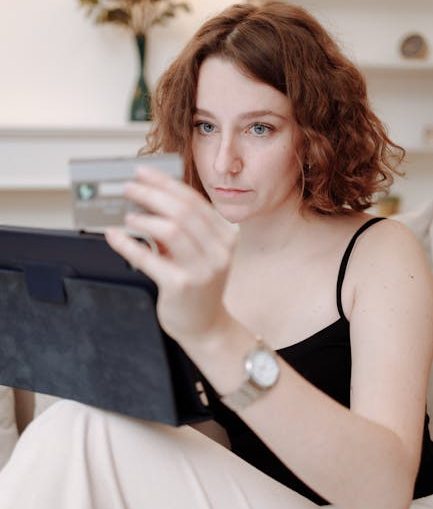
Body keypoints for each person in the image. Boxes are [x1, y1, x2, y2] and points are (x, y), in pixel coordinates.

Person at [1, 2, 433, 508]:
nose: (224, 162)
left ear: (317, 134)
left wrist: (215, 335)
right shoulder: (196, 262)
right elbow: (217, 449)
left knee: (81, 429)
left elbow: (384, 491)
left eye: (259, 128)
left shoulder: (381, 251)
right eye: (206, 127)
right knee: (80, 419)